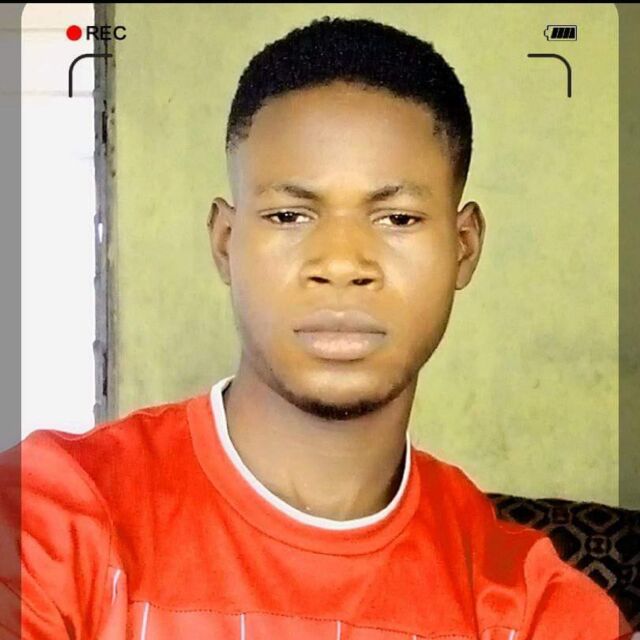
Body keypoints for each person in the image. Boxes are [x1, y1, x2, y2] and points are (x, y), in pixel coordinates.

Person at [0, 16, 632, 640]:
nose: (341, 264)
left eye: (398, 219)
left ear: (464, 247)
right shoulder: (50, 518)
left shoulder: (526, 605)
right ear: (225, 243)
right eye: (289, 215)